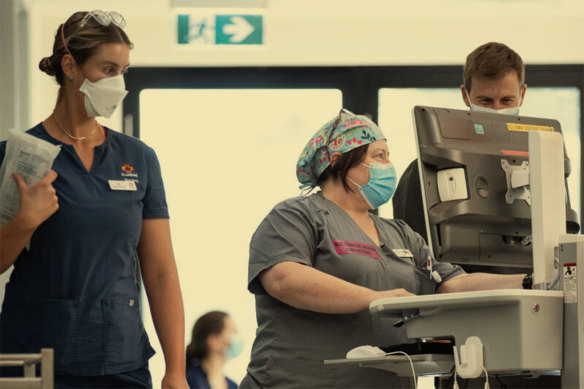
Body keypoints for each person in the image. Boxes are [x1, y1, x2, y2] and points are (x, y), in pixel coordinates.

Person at [239, 109, 531, 389]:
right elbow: (284, 279)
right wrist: (376, 300)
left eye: (388, 156)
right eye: (378, 156)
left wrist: (531, 280)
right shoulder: (296, 215)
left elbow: (453, 283)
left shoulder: (399, 233)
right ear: (340, 161)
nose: (388, 166)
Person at [0, 11, 188, 389]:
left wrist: (176, 371)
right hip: (31, 356)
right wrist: (24, 222)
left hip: (118, 354)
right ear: (70, 66)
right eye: (108, 68)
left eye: (123, 70)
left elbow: (161, 272)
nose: (118, 83)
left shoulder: (138, 157)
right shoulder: (20, 156)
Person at [392, 42, 526, 244]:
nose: (497, 111)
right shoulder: (426, 170)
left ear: (522, 94)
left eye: (507, 101)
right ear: (465, 95)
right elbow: (414, 254)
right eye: (486, 101)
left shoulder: (539, 165)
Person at [185, 311, 241, 389]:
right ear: (213, 341)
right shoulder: (188, 381)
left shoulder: (234, 386)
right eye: (233, 331)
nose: (238, 336)